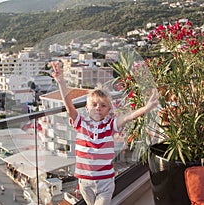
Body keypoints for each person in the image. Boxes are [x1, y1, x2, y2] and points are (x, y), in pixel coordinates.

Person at [50, 61, 159, 205]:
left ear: (108, 110)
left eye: (103, 105)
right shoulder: (81, 123)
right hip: (85, 182)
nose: (98, 108)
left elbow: (127, 117)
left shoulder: (110, 125)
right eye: (94, 105)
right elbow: (69, 105)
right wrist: (61, 81)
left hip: (105, 182)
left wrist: (146, 108)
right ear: (87, 108)